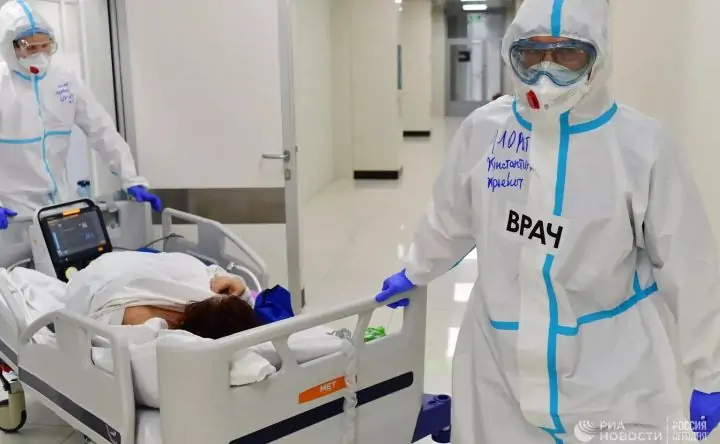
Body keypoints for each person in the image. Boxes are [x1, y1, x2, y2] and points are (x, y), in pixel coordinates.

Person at [376, 0, 720, 442]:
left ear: (598, 56)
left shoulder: (641, 146)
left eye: (567, 54)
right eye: (532, 54)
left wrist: (710, 370)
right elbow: (450, 214)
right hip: (499, 365)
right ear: (511, 54)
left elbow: (689, 264)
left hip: (609, 373)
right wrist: (416, 268)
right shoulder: (486, 130)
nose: (546, 71)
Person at [0, 0, 162, 231]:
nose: (40, 54)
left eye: (45, 46)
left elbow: (103, 130)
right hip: (11, 214)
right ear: (10, 47)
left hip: (56, 207)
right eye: (31, 48)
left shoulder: (65, 80)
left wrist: (131, 178)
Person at [62, 251, 262, 338]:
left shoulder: (217, 291)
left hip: (117, 267)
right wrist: (240, 290)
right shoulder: (138, 315)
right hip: (99, 276)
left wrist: (241, 291)